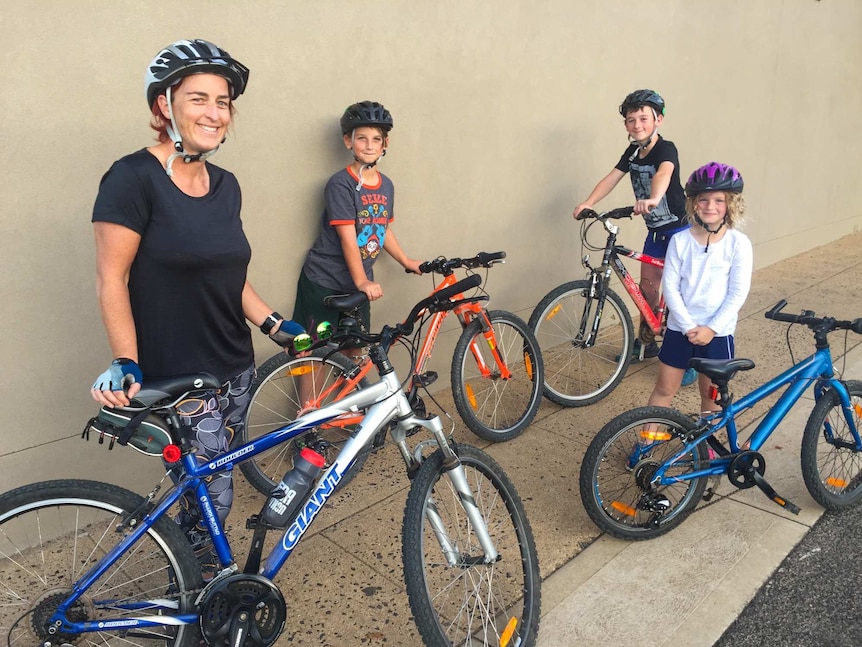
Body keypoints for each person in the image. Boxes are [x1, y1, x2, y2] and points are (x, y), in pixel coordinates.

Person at [89, 39, 304, 578]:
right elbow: (111, 278)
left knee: (209, 489)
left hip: (234, 363)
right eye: (199, 98)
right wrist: (126, 361)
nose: (214, 112)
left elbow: (227, 274)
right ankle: (198, 596)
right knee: (217, 494)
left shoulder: (225, 185)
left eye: (224, 101)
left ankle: (193, 581)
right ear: (165, 106)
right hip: (181, 374)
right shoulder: (132, 178)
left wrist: (275, 324)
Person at [573, 89, 695, 384]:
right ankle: (646, 342)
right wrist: (589, 202)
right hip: (656, 232)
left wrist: (653, 198)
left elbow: (664, 174)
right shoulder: (632, 152)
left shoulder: (666, 149)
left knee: (682, 294)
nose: (637, 124)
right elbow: (612, 177)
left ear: (658, 120)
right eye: (631, 120)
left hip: (680, 231)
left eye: (643, 118)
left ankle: (686, 355)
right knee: (648, 289)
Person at [292, 101, 422, 353]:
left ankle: (349, 394)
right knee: (313, 350)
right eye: (361, 138)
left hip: (358, 287)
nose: (370, 145)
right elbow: (348, 239)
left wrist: (406, 261)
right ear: (348, 142)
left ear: (386, 144)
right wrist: (362, 281)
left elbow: (382, 229)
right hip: (325, 281)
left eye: (376, 138)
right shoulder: (341, 184)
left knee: (355, 349)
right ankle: (309, 396)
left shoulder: (386, 186)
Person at [646, 162, 753, 414]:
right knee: (664, 389)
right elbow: (670, 287)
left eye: (719, 200)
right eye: (703, 200)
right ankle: (648, 442)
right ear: (694, 203)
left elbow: (737, 292)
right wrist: (687, 326)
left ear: (730, 204)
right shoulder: (680, 241)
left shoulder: (738, 244)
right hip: (680, 329)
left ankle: (710, 451)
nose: (710, 206)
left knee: (711, 396)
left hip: (718, 332)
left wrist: (711, 329)